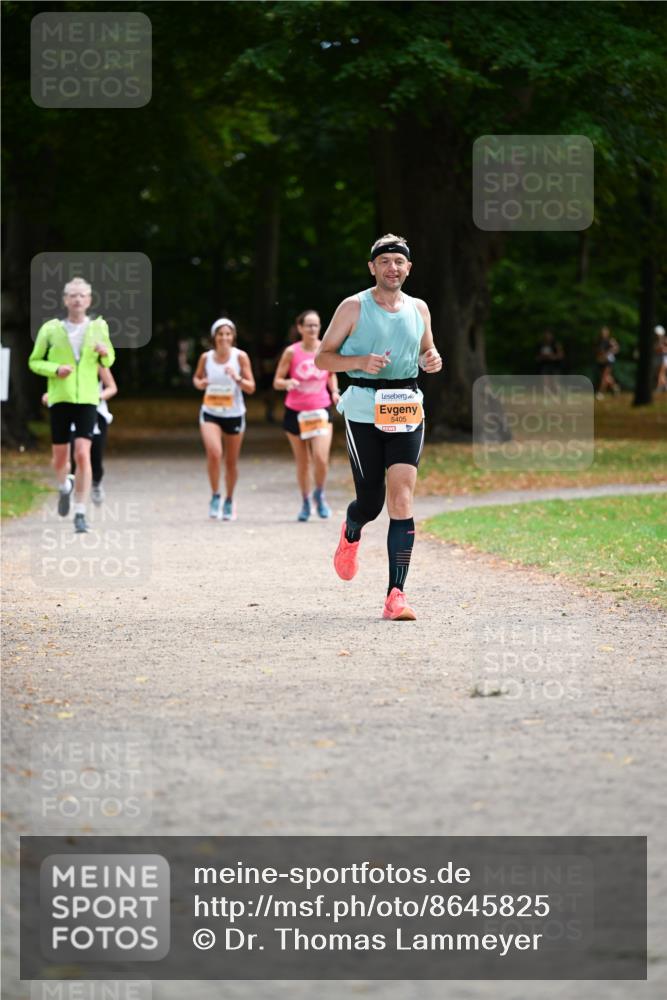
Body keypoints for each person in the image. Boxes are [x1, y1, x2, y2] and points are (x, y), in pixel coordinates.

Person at [315, 234, 442, 621]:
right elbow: (323, 358)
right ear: (372, 267)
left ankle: (396, 595)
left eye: (398, 262)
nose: (392, 268)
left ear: (408, 267)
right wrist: (358, 360)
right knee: (371, 502)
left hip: (405, 406)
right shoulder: (354, 307)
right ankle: (352, 529)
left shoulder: (419, 308)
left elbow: (426, 352)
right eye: (384, 261)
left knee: (401, 497)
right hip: (364, 409)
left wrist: (432, 360)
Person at [29, 277, 115, 533]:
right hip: (60, 399)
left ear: (89, 300)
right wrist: (56, 369)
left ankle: (80, 512)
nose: (77, 299)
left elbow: (109, 360)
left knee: (82, 454)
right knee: (60, 459)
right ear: (65, 300)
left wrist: (104, 351)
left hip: (88, 399)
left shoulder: (99, 327)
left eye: (82, 295)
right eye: (73, 295)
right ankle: (64, 486)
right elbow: (34, 362)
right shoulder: (51, 329)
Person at [273, 310, 340, 521]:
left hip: (321, 410)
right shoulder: (291, 352)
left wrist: (335, 392)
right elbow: (277, 380)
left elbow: (332, 374)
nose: (313, 329)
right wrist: (287, 383)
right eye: (308, 325)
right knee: (303, 462)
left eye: (316, 325)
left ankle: (319, 493)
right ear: (300, 328)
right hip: (295, 412)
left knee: (320, 458)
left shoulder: (325, 349)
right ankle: (305, 501)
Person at [192, 317, 255, 520]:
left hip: (234, 414)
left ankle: (229, 499)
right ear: (214, 337)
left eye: (228, 334)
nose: (224, 338)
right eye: (220, 334)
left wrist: (237, 378)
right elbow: (196, 378)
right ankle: (215, 496)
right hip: (210, 412)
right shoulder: (206, 357)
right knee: (214, 453)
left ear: (233, 337)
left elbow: (251, 387)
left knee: (231, 462)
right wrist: (200, 383)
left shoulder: (240, 357)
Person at [43, 364, 118, 505]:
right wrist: (50, 396)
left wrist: (97, 397)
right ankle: (69, 489)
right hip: (69, 412)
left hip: (95, 413)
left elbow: (112, 387)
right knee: (75, 453)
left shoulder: (95, 361)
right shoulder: (62, 363)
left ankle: (96, 481)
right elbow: (56, 387)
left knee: (95, 455)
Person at [595, 326, 620, 399]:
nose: (603, 333)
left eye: (604, 332)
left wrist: (608, 353)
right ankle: (615, 387)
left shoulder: (610, 340)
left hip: (609, 361)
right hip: (601, 361)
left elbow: (616, 348)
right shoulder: (599, 341)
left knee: (604, 376)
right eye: (602, 332)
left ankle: (601, 392)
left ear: (607, 333)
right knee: (606, 377)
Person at [653, 325, 667, 392]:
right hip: (657, 358)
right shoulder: (655, 341)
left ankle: (658, 388)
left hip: (664, 358)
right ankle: (665, 386)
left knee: (660, 373)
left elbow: (664, 349)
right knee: (661, 374)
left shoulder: (665, 340)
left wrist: (663, 350)